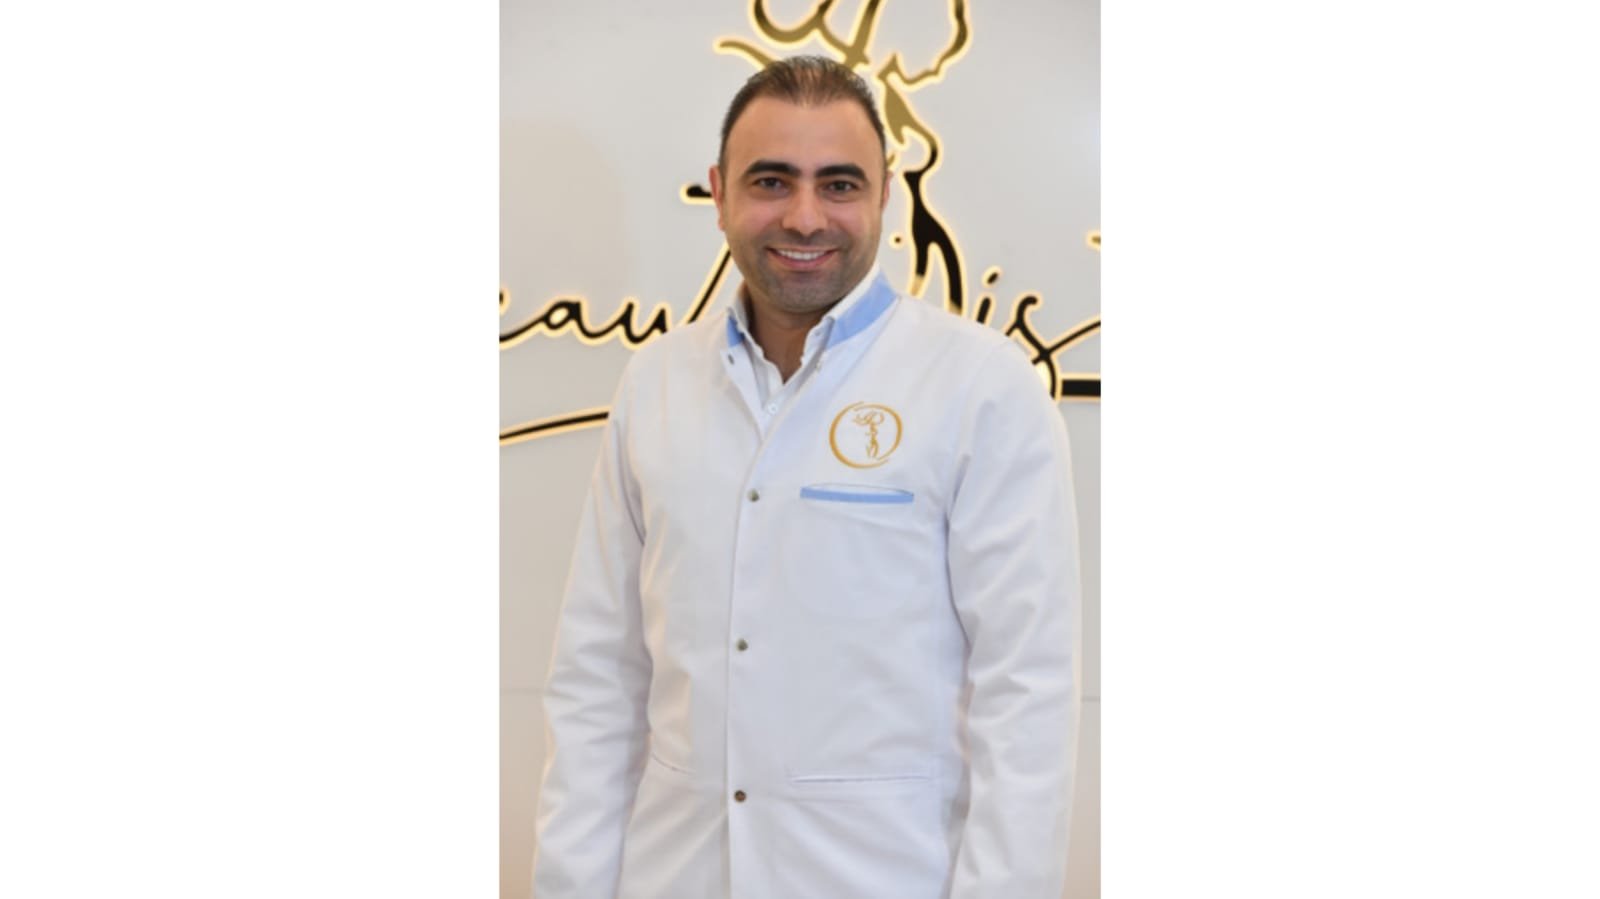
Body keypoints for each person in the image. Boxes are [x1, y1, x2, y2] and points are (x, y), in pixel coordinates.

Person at [532, 55, 1082, 898]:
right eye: (771, 180)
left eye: (839, 184)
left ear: (884, 195)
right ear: (719, 194)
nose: (804, 215)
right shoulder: (656, 384)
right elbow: (599, 679)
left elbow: (1026, 697)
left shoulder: (981, 386)